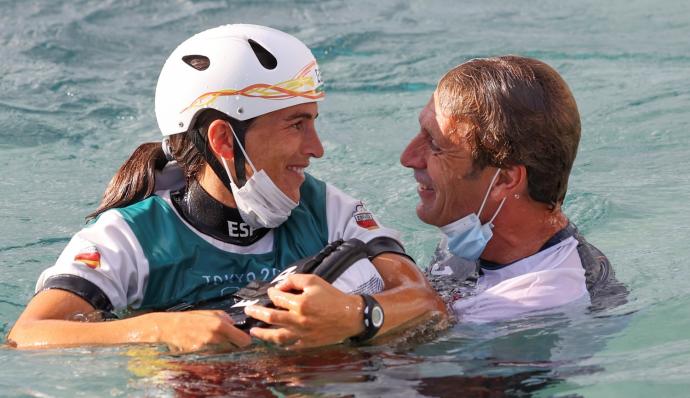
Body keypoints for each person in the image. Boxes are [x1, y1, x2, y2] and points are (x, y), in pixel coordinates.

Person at [7, 24, 444, 351]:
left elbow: (426, 302)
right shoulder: (128, 238)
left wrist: (356, 315)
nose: (317, 148)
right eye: (297, 124)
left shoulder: (330, 211)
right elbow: (28, 335)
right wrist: (158, 328)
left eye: (314, 122)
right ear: (223, 140)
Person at [397, 55, 625, 322]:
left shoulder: (534, 304)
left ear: (504, 180)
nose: (408, 157)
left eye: (435, 144)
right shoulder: (476, 223)